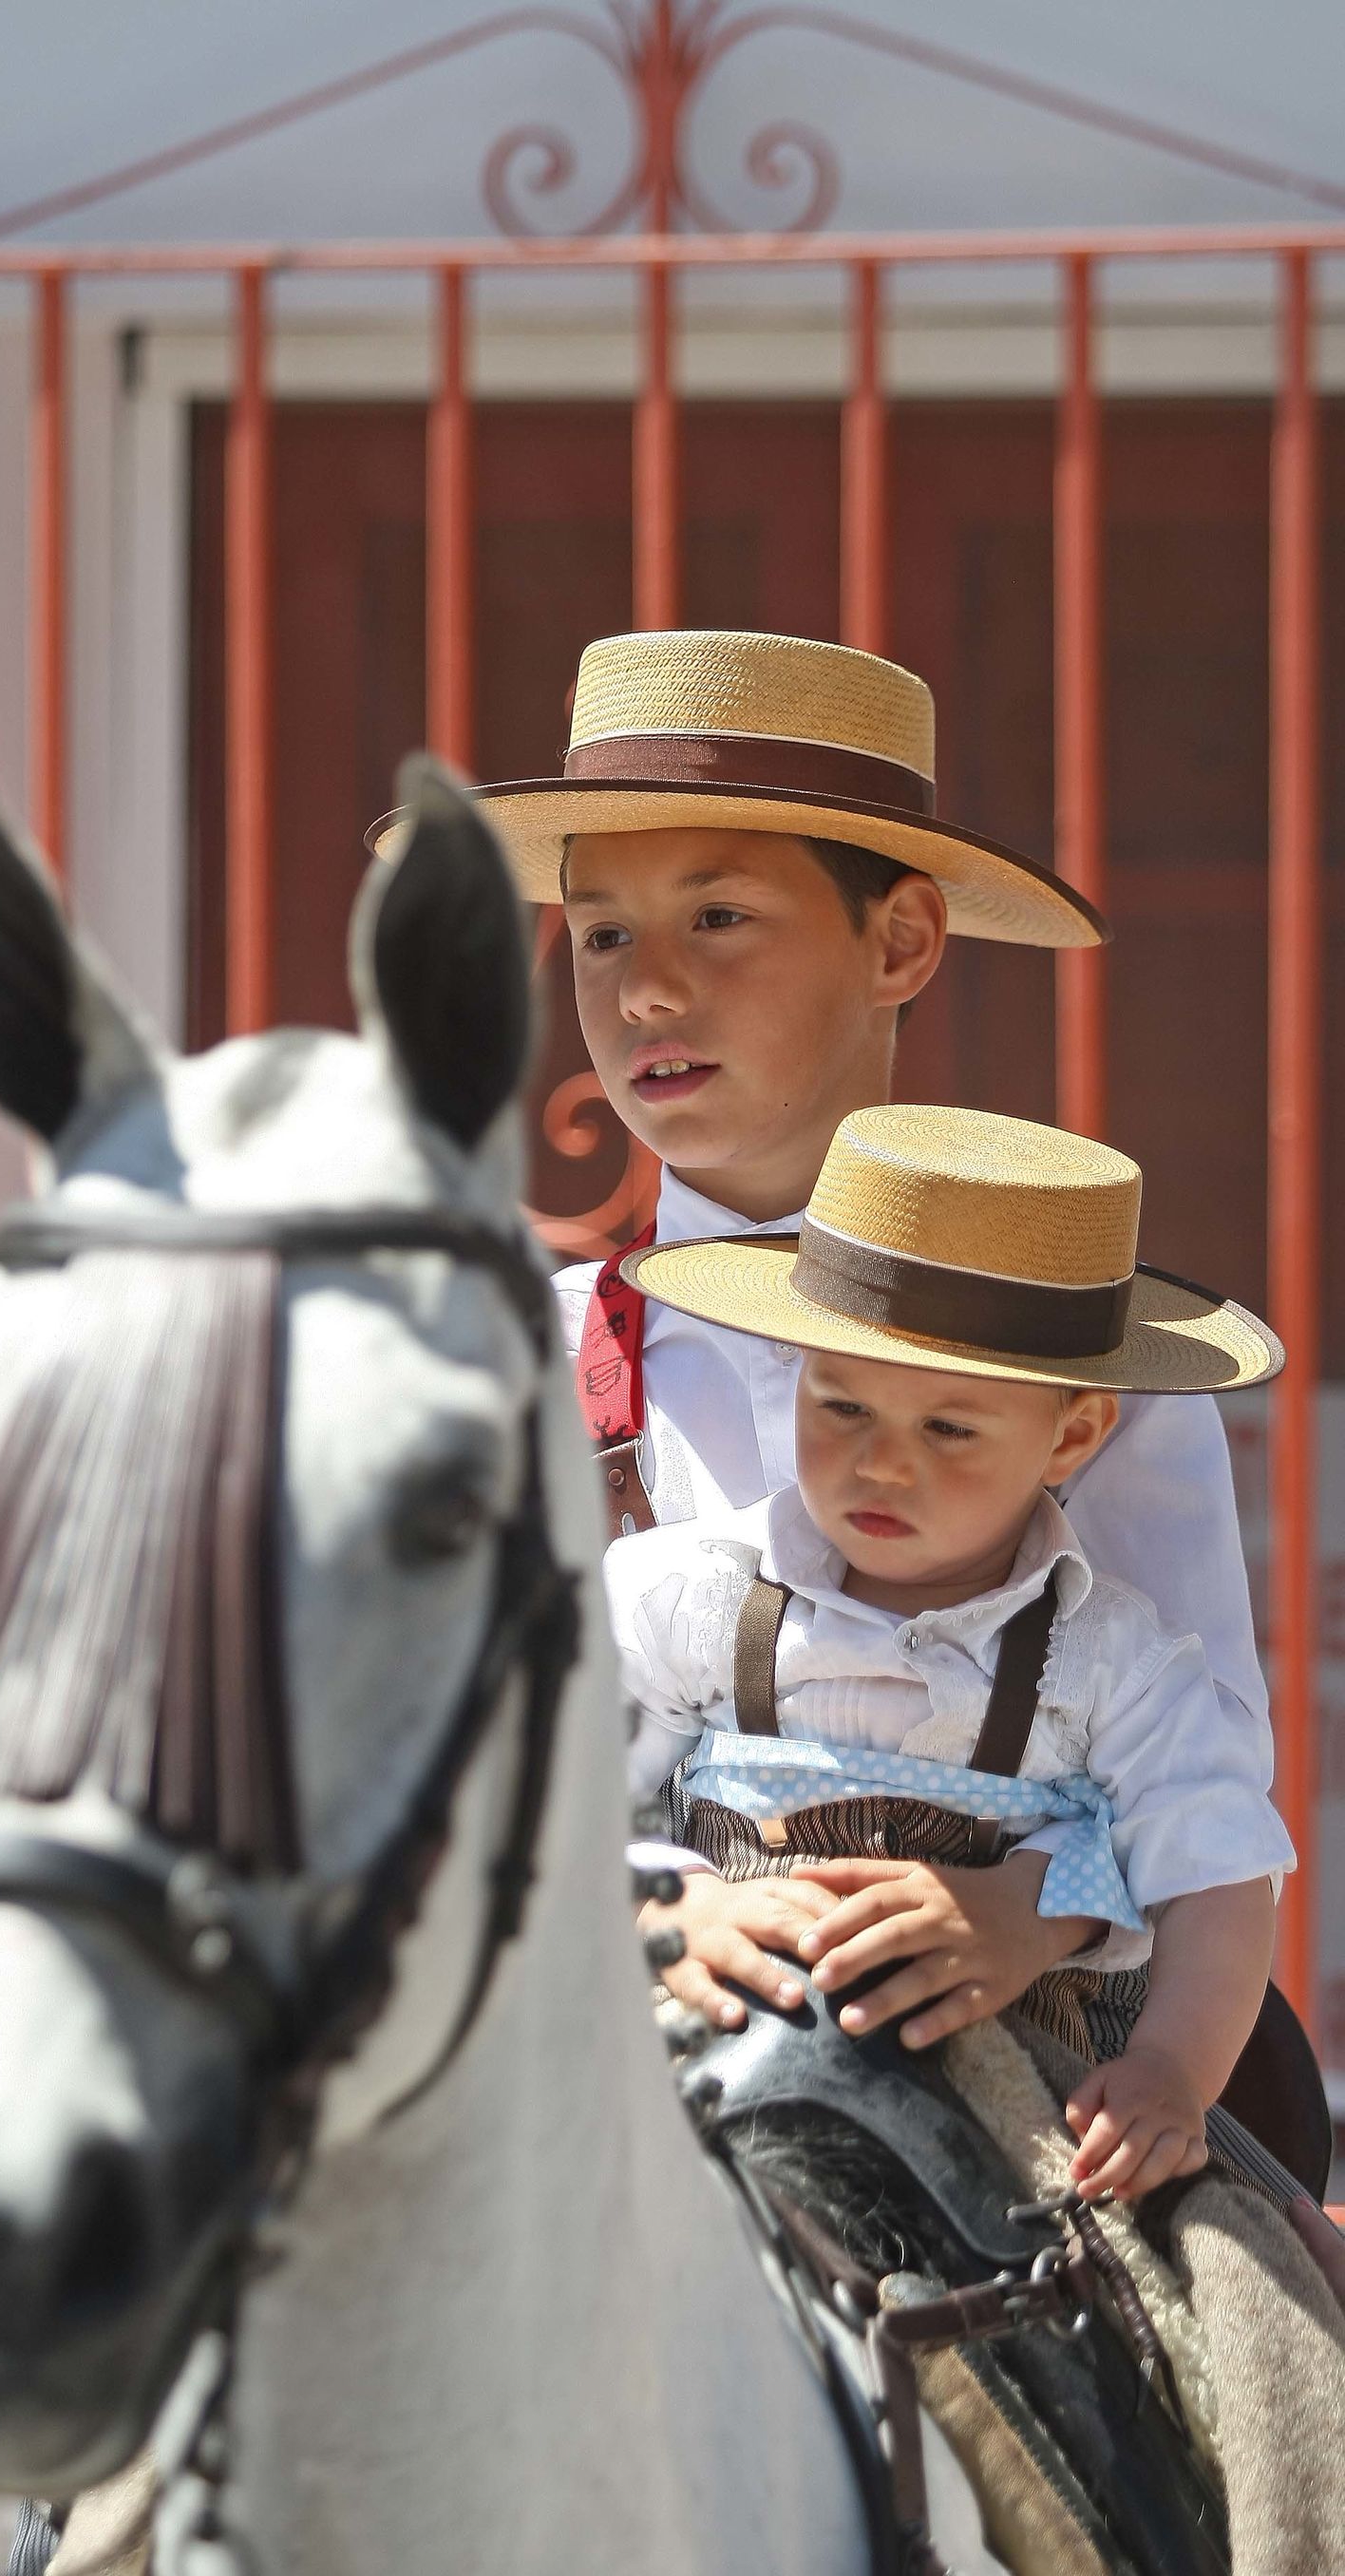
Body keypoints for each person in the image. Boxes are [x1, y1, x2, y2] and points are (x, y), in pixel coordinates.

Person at [373, 625, 1272, 2022]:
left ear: (901, 941)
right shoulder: (517, 1361)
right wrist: (669, 1902)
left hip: (1039, 2059)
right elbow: (444, 1764)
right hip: (620, 2060)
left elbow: (1209, 1777)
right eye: (601, 931)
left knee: (1229, 2254)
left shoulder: (1085, 1357)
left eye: (718, 917)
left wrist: (1030, 1910)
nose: (644, 988)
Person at [604, 1101, 1295, 2201]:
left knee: (1247, 2325)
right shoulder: (687, 1593)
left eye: (949, 1428)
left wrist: (1166, 2069)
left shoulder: (1115, 1660)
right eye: (840, 1407)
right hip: (700, 2071)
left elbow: (1216, 1880)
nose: (881, 1466)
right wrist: (664, 1909)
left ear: (1070, 1437)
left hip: (1022, 2123)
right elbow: (544, 1800)